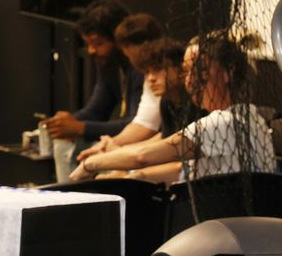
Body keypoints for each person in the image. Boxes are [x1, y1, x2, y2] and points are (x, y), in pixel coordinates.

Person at [70, 31, 273, 182]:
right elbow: (179, 170)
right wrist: (131, 176)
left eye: (200, 71)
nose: (191, 81)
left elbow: (143, 157)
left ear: (228, 72)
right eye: (187, 71)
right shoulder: (248, 114)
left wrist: (91, 165)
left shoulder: (225, 122)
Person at [75, 37, 204, 183]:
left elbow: (174, 158)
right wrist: (117, 151)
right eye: (147, 72)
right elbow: (163, 140)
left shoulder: (198, 103)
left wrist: (129, 173)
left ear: (181, 69)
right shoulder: (166, 102)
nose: (150, 79)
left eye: (157, 70)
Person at [41, 0, 142, 182]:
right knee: (64, 141)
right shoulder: (109, 64)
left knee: (88, 149)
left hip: (138, 143)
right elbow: (97, 108)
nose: (91, 51)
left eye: (97, 43)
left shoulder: (140, 68)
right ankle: (67, 201)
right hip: (118, 139)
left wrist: (79, 128)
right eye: (87, 44)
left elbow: (137, 124)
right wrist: (65, 125)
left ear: (119, 39)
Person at [75, 13, 165, 162]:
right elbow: (144, 123)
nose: (151, 78)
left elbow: (153, 132)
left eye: (97, 43)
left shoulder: (148, 72)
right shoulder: (140, 72)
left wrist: (114, 149)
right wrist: (112, 144)